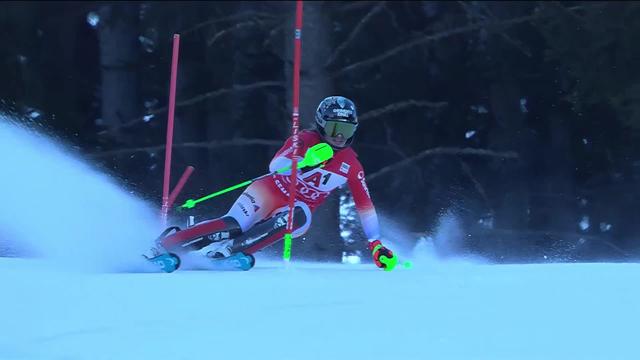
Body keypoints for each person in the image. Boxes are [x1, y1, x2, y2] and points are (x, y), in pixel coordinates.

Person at [152, 96, 396, 270]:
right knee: (232, 225)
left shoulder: (351, 165)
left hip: (293, 208)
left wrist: (375, 244)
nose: (339, 136)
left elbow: (365, 206)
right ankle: (169, 243)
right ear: (322, 125)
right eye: (333, 128)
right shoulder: (304, 139)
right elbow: (275, 166)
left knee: (299, 215)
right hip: (267, 191)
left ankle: (230, 250)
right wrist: (305, 160)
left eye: (345, 128)